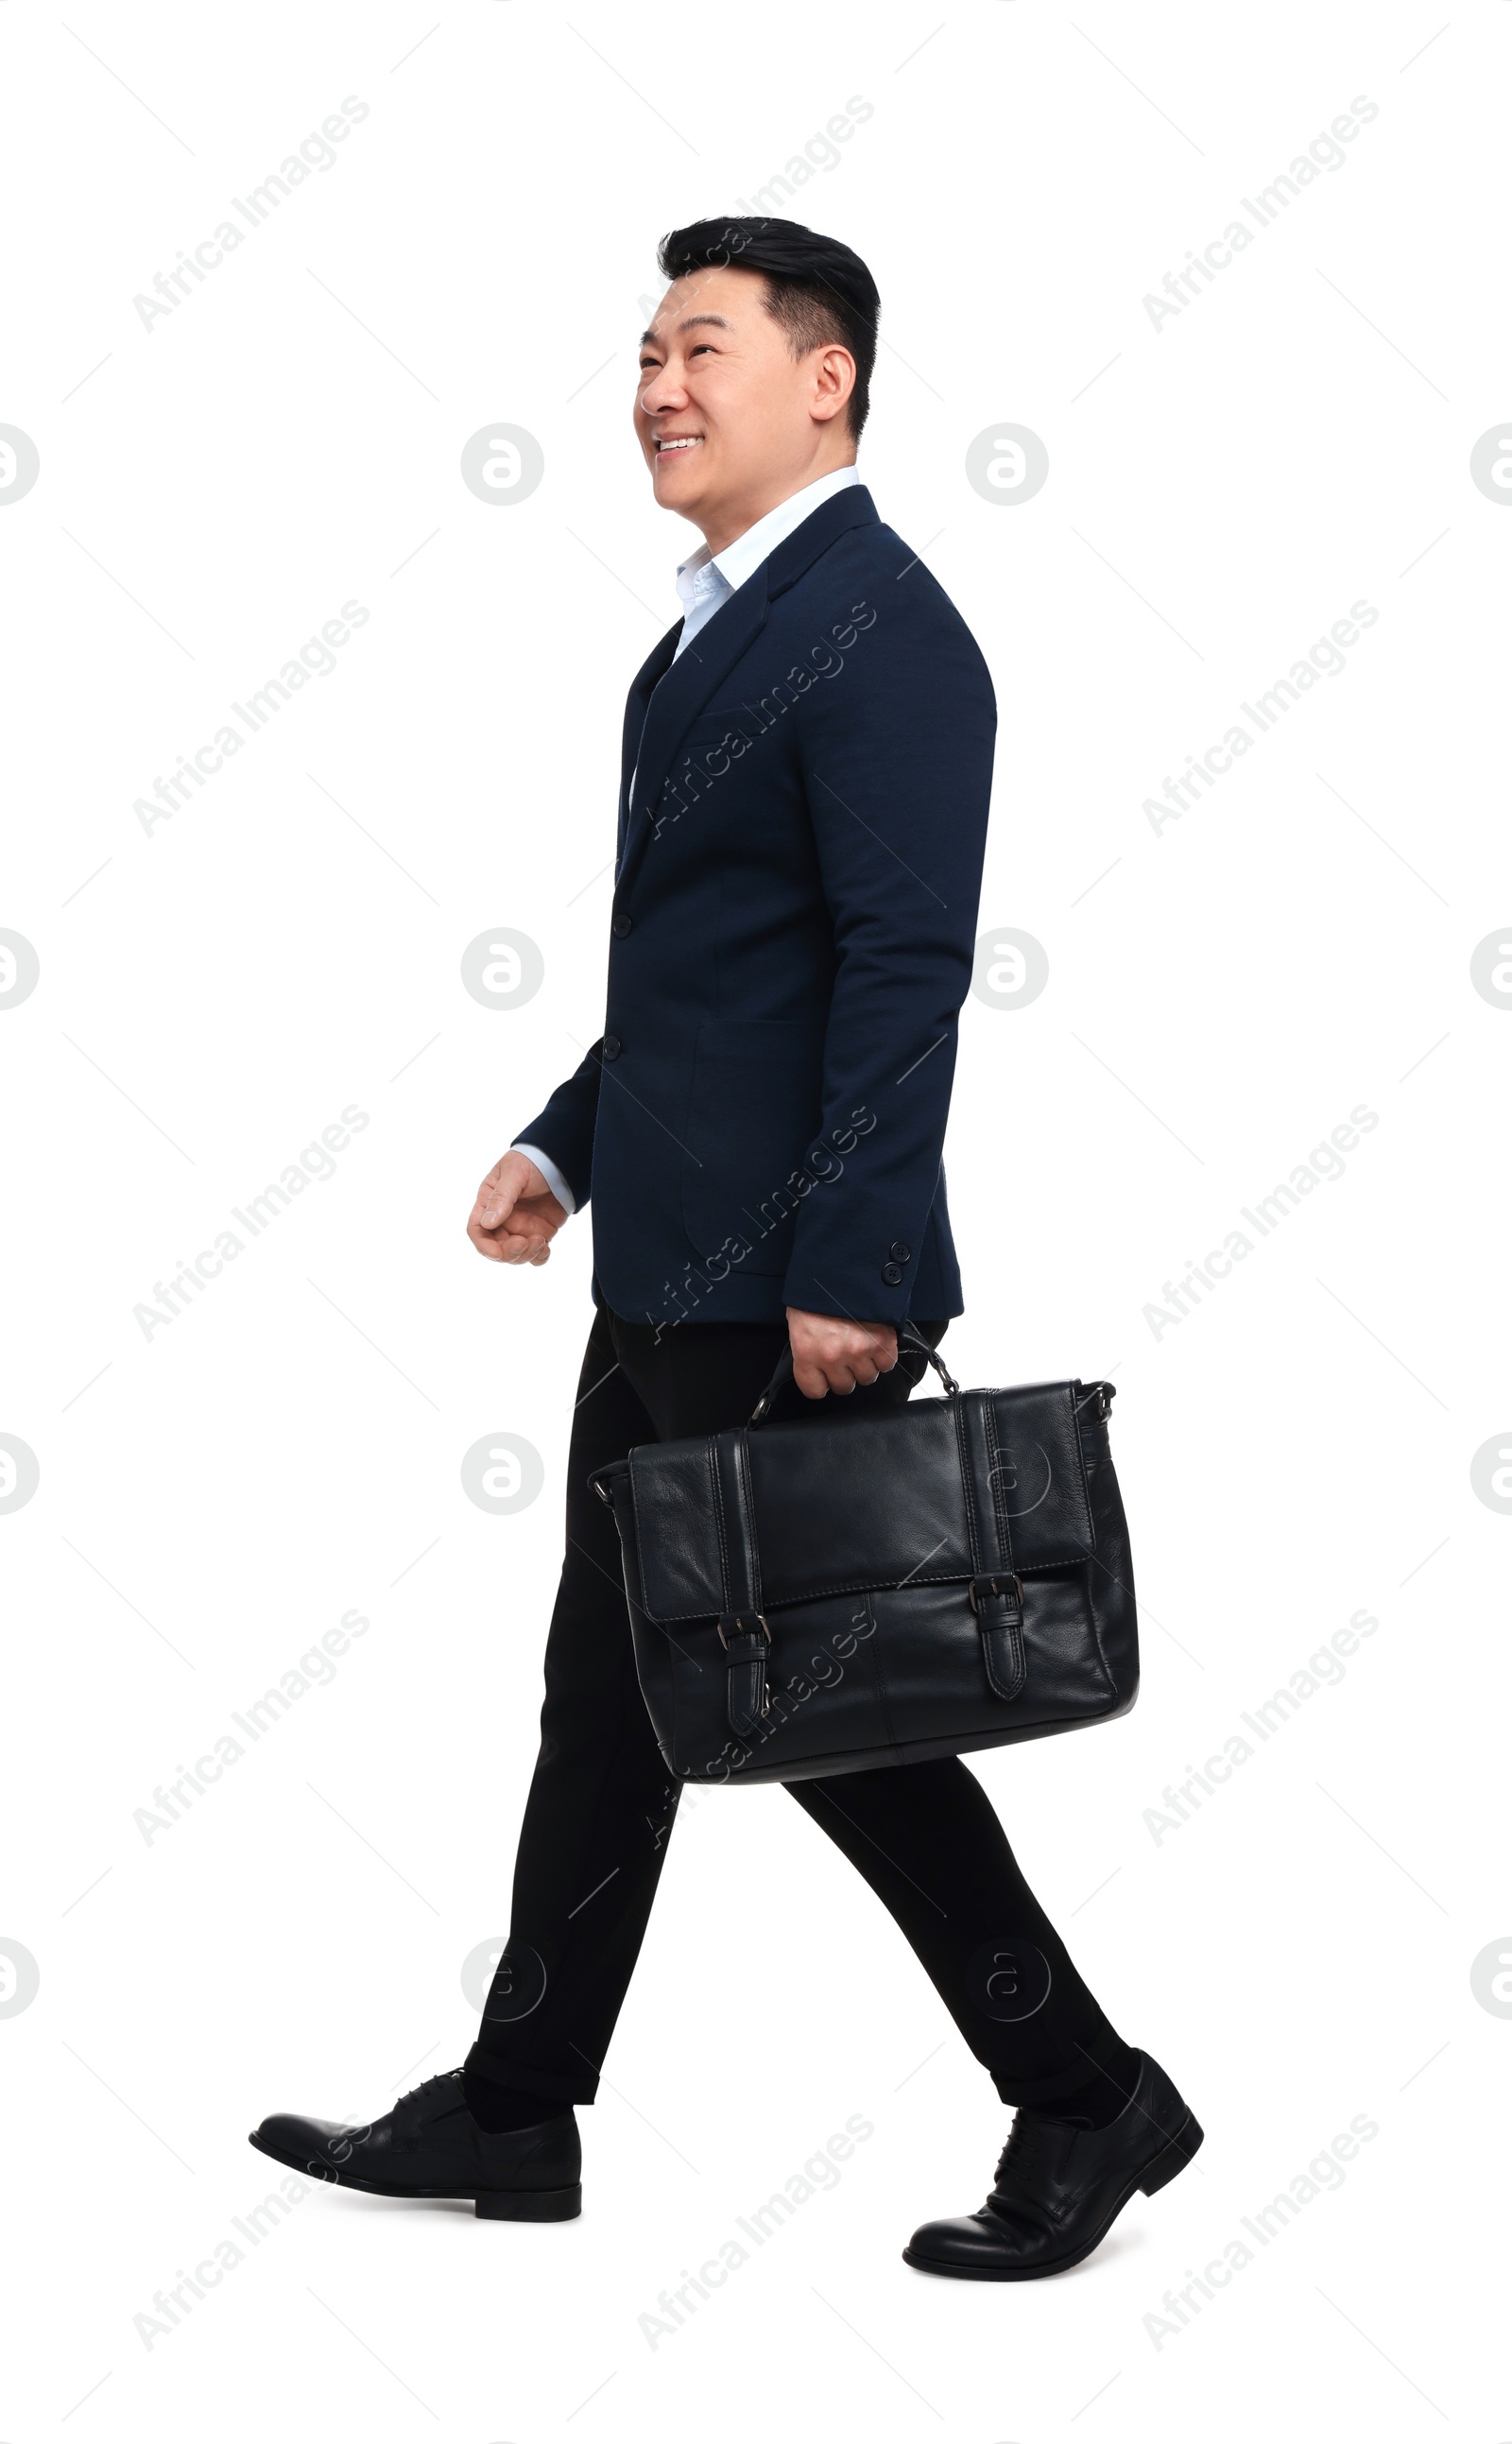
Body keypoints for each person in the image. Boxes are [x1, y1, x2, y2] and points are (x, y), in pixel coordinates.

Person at [250, 216, 1201, 2277]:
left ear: (825, 378)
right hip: (665, 1270)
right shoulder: (694, 639)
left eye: (698, 349)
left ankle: (1083, 2093)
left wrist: (857, 1257)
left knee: (832, 1729)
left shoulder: (884, 630)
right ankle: (516, 2109)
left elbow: (897, 962)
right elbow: (710, 977)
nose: (655, 391)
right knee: (611, 1705)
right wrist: (565, 1145)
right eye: (644, 356)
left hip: (786, 1284)